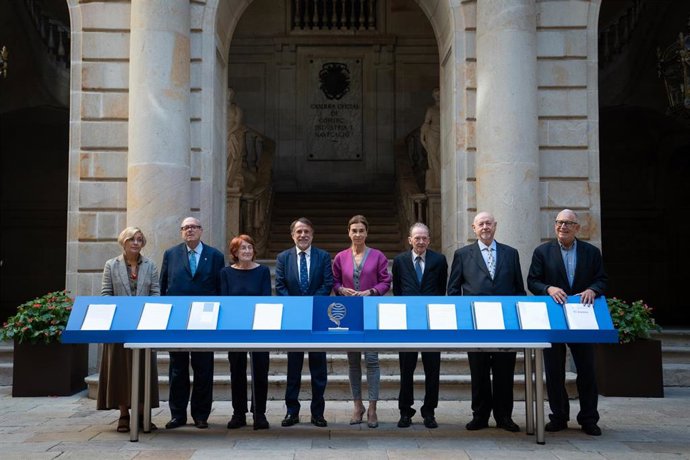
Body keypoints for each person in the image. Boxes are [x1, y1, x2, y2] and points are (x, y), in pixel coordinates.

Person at [527, 209, 608, 436]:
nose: (563, 227)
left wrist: (593, 289)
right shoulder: (542, 252)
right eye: (559, 223)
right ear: (554, 226)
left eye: (568, 223)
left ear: (577, 228)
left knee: (587, 370)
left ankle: (589, 419)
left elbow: (602, 279)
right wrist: (548, 289)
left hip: (583, 318)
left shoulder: (591, 253)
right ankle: (559, 416)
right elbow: (533, 281)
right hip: (553, 317)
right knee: (554, 371)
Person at [447, 211, 526, 432]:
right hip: (475, 324)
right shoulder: (463, 255)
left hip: (505, 324)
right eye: (480, 224)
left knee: (504, 372)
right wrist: (461, 320)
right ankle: (480, 416)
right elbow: (453, 290)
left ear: (495, 225)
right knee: (479, 371)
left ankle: (504, 417)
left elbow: (519, 289)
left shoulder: (511, 254)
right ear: (474, 228)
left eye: (488, 223)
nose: (485, 227)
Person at [160, 217, 225, 430]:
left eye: (194, 227)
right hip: (178, 321)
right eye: (186, 228)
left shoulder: (215, 256)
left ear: (201, 230)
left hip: (205, 320)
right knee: (177, 369)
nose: (190, 230)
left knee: (203, 369)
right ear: (181, 232)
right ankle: (177, 415)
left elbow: (220, 289)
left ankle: (201, 415)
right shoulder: (171, 254)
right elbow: (163, 287)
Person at [98, 227, 160, 433]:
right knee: (119, 370)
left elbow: (155, 294)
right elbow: (106, 294)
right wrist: (124, 312)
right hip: (119, 326)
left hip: (144, 325)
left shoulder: (150, 265)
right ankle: (123, 415)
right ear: (123, 242)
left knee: (144, 368)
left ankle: (143, 414)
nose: (136, 243)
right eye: (132, 239)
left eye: (139, 239)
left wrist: (143, 313)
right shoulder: (111, 265)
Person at [332, 215, 392, 428]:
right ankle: (358, 406)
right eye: (354, 230)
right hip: (349, 314)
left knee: (373, 360)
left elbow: (386, 281)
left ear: (367, 233)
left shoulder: (377, 256)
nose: (357, 234)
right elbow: (335, 280)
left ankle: (373, 408)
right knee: (353, 361)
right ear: (348, 232)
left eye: (361, 231)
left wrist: (371, 291)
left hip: (371, 313)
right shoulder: (340, 257)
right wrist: (340, 289)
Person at [275, 217, 333, 428]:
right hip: (294, 321)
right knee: (293, 369)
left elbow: (327, 284)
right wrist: (297, 307)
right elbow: (280, 286)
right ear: (292, 235)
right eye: (299, 231)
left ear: (312, 234)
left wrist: (310, 304)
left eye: (306, 231)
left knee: (319, 370)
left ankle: (318, 413)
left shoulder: (323, 256)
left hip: (317, 319)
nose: (303, 235)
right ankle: (292, 412)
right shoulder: (283, 258)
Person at [392, 222, 448, 429]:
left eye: (424, 238)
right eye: (417, 238)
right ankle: (405, 411)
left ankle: (429, 412)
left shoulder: (439, 260)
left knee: (432, 370)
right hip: (407, 323)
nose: (421, 241)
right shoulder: (399, 261)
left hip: (432, 323)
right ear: (410, 240)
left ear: (429, 240)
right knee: (406, 369)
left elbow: (441, 289)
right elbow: (397, 289)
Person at [220, 234, 272, 430]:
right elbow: (224, 302)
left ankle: (260, 413)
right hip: (235, 329)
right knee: (237, 371)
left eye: (250, 248)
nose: (247, 251)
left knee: (260, 370)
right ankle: (238, 413)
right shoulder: (225, 273)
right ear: (235, 252)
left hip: (259, 328)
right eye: (243, 248)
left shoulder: (263, 271)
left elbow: (266, 299)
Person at [420, 88, 440, 192]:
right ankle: (437, 181)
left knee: (441, 157)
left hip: (443, 135)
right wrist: (423, 139)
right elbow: (426, 123)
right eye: (436, 94)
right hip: (432, 135)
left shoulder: (446, 109)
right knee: (433, 158)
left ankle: (440, 180)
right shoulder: (431, 109)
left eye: (439, 94)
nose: (438, 96)